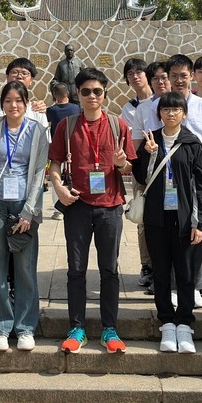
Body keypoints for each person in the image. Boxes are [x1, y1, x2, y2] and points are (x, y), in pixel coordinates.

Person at [49, 67, 136, 354]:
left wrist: (121, 163)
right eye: (85, 91)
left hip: (110, 206)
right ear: (78, 93)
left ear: (105, 93)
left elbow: (128, 168)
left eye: (97, 91)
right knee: (76, 270)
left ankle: (110, 329)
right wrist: (59, 188)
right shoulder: (67, 126)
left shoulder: (118, 126)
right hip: (77, 205)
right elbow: (55, 163)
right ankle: (77, 328)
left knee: (109, 269)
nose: (92, 96)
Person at [0, 81, 50, 351]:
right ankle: (0, 328)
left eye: (18, 100)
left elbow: (39, 172)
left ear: (26, 103)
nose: (13, 105)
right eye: (8, 100)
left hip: (23, 204)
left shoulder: (38, 130)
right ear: (1, 103)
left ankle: (26, 327)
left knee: (25, 268)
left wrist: (30, 211)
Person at [133, 91, 202, 355]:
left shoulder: (192, 143)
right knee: (161, 271)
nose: (171, 113)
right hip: (156, 217)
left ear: (184, 114)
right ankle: (166, 321)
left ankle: (185, 322)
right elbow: (141, 177)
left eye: (176, 109)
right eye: (166, 109)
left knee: (186, 272)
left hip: (184, 218)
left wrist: (201, 223)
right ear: (159, 113)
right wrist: (149, 155)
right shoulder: (150, 140)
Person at [120, 57, 154, 287]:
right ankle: (147, 265)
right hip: (141, 168)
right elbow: (128, 141)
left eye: (138, 71)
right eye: (130, 73)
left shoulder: (163, 101)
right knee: (142, 215)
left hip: (166, 167)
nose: (135, 76)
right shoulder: (129, 108)